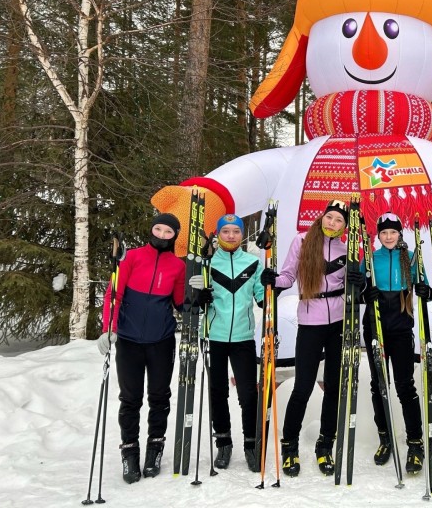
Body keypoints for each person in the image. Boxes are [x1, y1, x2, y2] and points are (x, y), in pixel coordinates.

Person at [260, 199, 363, 477]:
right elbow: (288, 276)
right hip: (310, 321)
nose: (332, 223)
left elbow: (355, 285)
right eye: (330, 217)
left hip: (339, 322)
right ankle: (290, 445)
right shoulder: (303, 240)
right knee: (303, 386)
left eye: (339, 220)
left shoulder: (348, 248)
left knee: (333, 386)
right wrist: (272, 280)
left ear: (345, 225)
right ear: (322, 217)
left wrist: (359, 281)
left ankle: (325, 444)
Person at [99, 213, 185, 483]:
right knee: (130, 398)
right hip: (129, 340)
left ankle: (155, 449)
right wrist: (108, 328)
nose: (161, 234)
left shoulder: (178, 266)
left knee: (159, 397)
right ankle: (130, 452)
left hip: (161, 341)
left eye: (168, 232)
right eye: (158, 228)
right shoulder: (132, 257)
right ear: (151, 229)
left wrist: (199, 294)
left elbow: (182, 304)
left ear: (175, 236)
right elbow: (114, 294)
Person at [188, 214, 264, 472]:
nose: (231, 236)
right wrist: (199, 296)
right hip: (213, 336)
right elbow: (191, 304)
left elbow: (263, 299)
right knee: (218, 392)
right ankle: (223, 442)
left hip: (243, 337)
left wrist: (271, 284)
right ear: (218, 235)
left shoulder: (253, 263)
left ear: (243, 235)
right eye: (226, 232)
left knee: (247, 394)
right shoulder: (207, 264)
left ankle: (252, 445)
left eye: (236, 231)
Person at [361, 213, 432, 474]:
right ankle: (385, 437)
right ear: (378, 236)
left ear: (400, 234)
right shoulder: (370, 258)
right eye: (384, 233)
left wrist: (427, 291)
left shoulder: (410, 257)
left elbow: (424, 284)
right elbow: (357, 290)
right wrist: (364, 293)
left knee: (404, 384)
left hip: (401, 326)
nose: (389, 236)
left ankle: (415, 441)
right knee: (379, 383)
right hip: (375, 326)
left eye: (393, 232)